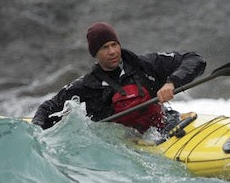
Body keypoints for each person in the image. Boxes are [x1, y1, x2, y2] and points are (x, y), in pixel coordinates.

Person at [32, 22, 206, 132]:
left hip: (166, 126)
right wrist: (35, 131)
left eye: (114, 45)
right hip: (128, 144)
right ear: (95, 53)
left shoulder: (144, 65)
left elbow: (195, 60)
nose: (112, 52)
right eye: (104, 48)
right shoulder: (88, 86)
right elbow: (48, 108)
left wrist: (171, 82)